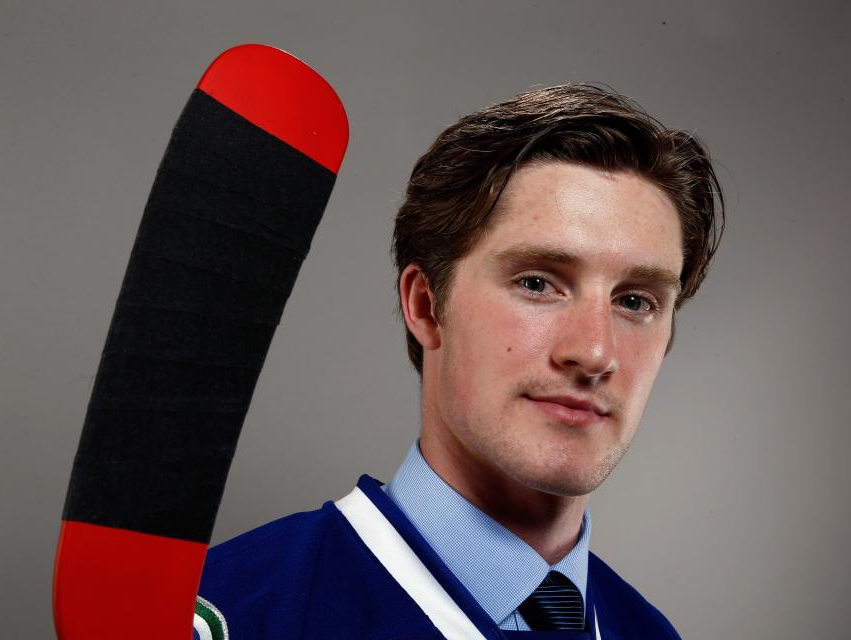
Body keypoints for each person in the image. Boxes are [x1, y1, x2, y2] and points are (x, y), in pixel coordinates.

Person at [192, 84, 723, 640]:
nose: (594, 353)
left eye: (636, 301)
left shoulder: (650, 632)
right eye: (538, 283)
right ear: (425, 305)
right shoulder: (237, 613)